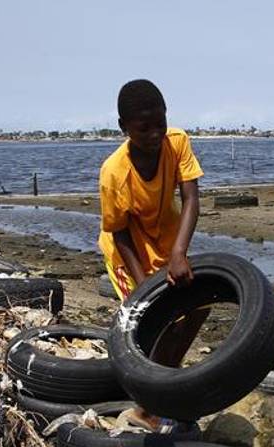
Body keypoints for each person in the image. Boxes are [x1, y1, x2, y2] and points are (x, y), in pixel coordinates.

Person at [98, 79, 206, 428]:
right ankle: (145, 407)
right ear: (124, 127)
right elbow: (120, 232)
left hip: (168, 241)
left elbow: (191, 198)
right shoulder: (114, 172)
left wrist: (179, 252)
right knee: (155, 321)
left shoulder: (177, 142)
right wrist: (144, 283)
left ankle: (161, 390)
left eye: (159, 123)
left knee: (197, 307)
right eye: (143, 128)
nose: (154, 134)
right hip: (127, 251)